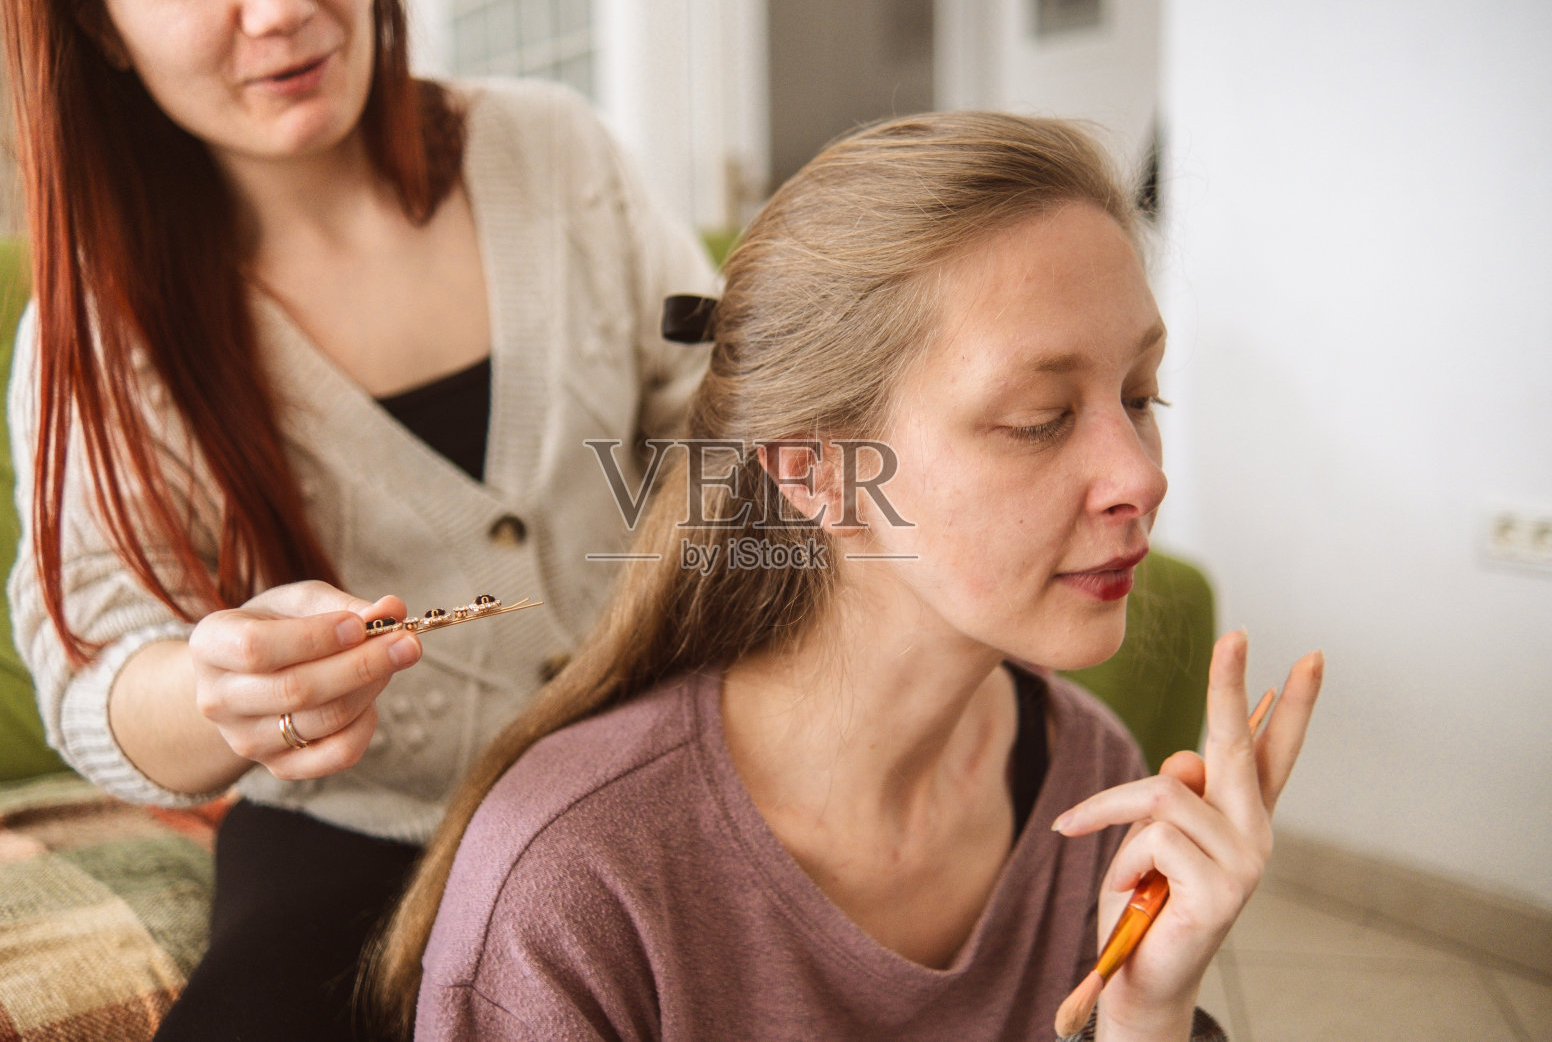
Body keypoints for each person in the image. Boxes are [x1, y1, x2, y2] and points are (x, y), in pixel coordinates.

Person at [376, 112, 1326, 1041]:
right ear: (814, 473)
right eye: (1041, 416)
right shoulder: (577, 882)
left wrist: (1146, 1015)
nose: (1142, 476)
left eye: (1138, 396)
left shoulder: (1093, 781)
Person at [0, 0, 713, 1036]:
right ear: (98, 21)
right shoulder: (100, 326)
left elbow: (731, 429)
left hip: (680, 760)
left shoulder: (554, 152)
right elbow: (87, 662)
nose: (275, 6)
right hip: (361, 834)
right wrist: (219, 690)